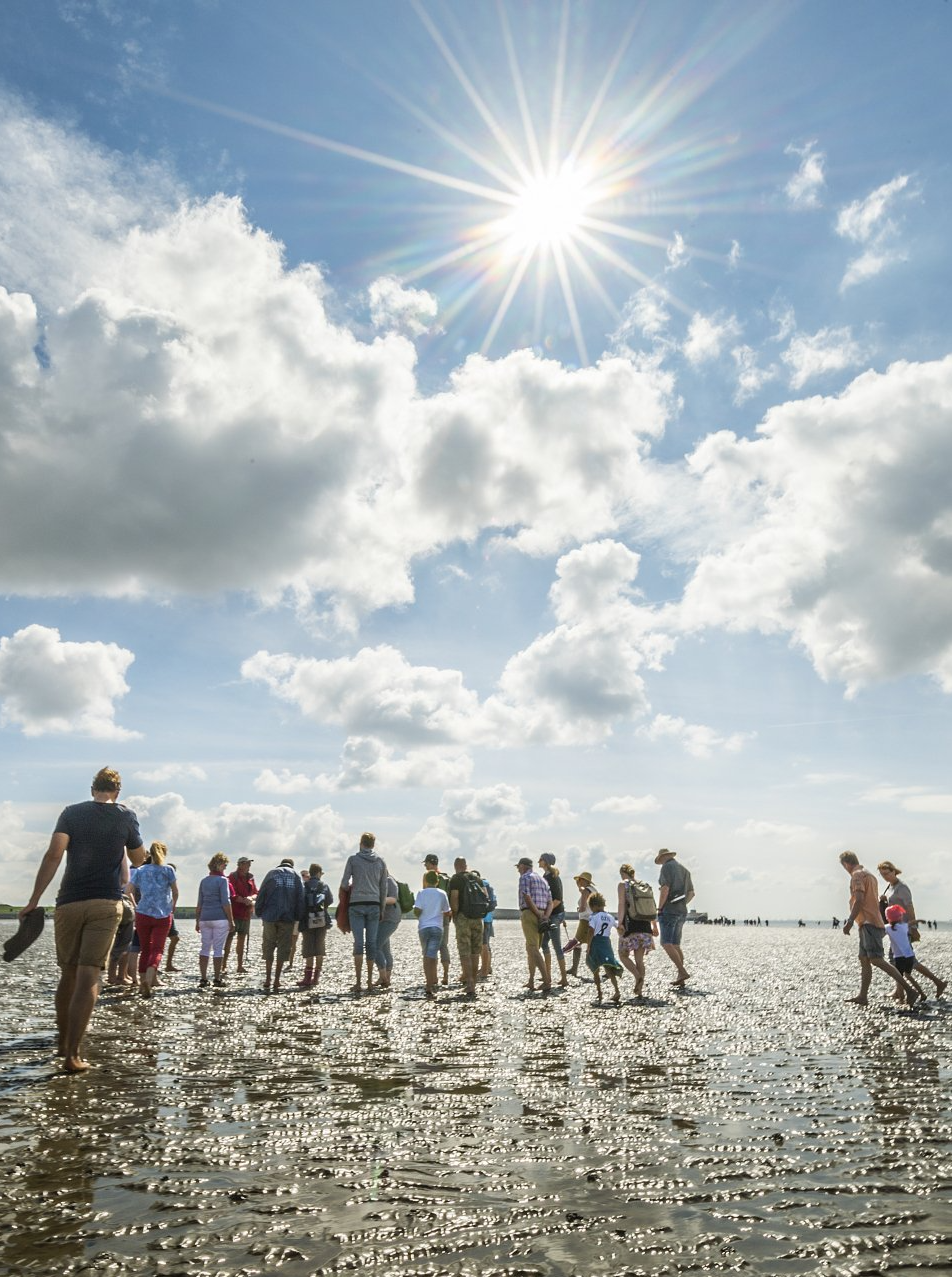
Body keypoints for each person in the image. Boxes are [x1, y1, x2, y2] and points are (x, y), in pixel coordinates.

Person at [19, 766, 146, 1073]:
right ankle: (72, 1056)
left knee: (68, 974)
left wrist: (34, 900)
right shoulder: (125, 816)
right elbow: (140, 858)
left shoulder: (70, 813)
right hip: (105, 904)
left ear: (93, 790)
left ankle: (63, 1043)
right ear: (117, 792)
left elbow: (53, 854)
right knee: (89, 976)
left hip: (68, 903)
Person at [839, 851, 920, 1006]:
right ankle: (863, 996)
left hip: (869, 923)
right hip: (868, 922)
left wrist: (849, 921)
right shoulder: (870, 875)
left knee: (876, 959)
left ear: (846, 864)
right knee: (864, 959)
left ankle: (909, 991)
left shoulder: (857, 876)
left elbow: (860, 900)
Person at [878, 860, 947, 998]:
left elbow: (910, 907)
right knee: (897, 959)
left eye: (887, 873)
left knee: (907, 961)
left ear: (893, 871)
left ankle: (937, 982)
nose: (885, 876)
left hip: (904, 929)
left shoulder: (902, 887)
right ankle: (899, 991)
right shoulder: (890, 887)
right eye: (882, 874)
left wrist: (913, 927)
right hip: (896, 928)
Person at [340, 833, 388, 993]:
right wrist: (381, 908)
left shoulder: (353, 860)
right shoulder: (380, 861)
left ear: (360, 843)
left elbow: (344, 883)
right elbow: (384, 889)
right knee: (372, 944)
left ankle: (358, 982)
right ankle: (369, 982)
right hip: (374, 904)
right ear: (373, 845)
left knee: (359, 943)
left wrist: (352, 888)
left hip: (357, 904)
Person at [131, 841, 178, 999]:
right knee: (157, 949)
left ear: (148, 854)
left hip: (143, 913)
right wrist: (173, 906)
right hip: (163, 914)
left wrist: (135, 904)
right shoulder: (168, 870)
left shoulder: (141, 870)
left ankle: (142, 982)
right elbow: (175, 891)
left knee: (145, 949)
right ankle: (150, 981)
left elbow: (128, 889)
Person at [255, 856, 306, 993]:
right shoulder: (296, 876)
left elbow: (262, 893)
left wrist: (259, 911)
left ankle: (267, 979)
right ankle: (277, 980)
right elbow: (300, 898)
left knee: (269, 946)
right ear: (292, 865)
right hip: (287, 917)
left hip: (270, 916)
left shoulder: (271, 873)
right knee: (283, 948)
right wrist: (298, 917)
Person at [616, 863, 658, 997]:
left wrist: (620, 923)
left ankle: (637, 976)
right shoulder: (644, 886)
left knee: (623, 955)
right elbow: (651, 906)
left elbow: (621, 904)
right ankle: (639, 990)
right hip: (645, 926)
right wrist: (654, 926)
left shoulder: (623, 885)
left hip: (630, 926)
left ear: (623, 873)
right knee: (639, 960)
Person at [448, 856, 487, 999]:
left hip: (463, 917)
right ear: (465, 865)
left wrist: (455, 915)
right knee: (475, 951)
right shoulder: (477, 878)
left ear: (456, 866)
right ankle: (474, 983)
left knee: (464, 950)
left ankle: (469, 982)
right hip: (477, 918)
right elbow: (485, 896)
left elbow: (454, 897)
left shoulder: (456, 879)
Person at [655, 848, 694, 987]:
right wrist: (681, 903)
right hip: (682, 911)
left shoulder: (667, 867)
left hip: (669, 910)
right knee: (676, 944)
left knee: (666, 943)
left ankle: (682, 971)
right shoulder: (684, 870)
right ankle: (681, 978)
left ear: (662, 858)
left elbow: (665, 889)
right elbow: (691, 893)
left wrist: (660, 908)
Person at [195, 852, 235, 988]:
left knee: (204, 948)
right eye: (225, 865)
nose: (225, 867)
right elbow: (226, 901)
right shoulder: (223, 881)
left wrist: (197, 920)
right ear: (220, 865)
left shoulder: (204, 881)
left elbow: (199, 902)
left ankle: (203, 978)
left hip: (205, 918)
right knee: (218, 949)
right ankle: (217, 978)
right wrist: (231, 920)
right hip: (220, 918)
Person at [516, 856, 552, 993]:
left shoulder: (525, 877)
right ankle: (531, 980)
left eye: (518, 867)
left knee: (532, 948)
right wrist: (545, 916)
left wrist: (537, 914)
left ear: (523, 866)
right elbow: (550, 901)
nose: (518, 870)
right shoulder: (542, 879)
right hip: (542, 914)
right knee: (532, 948)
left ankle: (546, 980)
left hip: (530, 913)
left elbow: (527, 897)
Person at [414, 870, 451, 999]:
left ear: (426, 881)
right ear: (437, 881)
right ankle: (431, 982)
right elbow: (447, 911)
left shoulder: (421, 893)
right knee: (432, 954)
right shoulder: (442, 893)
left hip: (424, 927)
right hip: (437, 927)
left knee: (426, 955)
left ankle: (429, 982)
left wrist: (422, 914)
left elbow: (417, 910)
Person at [297, 863, 333, 991]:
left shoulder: (304, 886)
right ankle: (316, 978)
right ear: (319, 873)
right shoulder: (324, 885)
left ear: (310, 873)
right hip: (321, 919)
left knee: (308, 947)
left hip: (307, 920)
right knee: (319, 947)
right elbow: (329, 900)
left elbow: (300, 902)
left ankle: (307, 978)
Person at [586, 893, 623, 1005]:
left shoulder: (593, 917)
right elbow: (619, 929)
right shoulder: (610, 917)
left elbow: (591, 931)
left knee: (595, 968)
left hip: (596, 943)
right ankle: (616, 991)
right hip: (606, 942)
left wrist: (588, 945)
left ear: (594, 906)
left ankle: (599, 992)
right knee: (609, 968)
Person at [884, 905, 926, 1003]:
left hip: (899, 957)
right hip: (910, 956)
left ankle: (903, 996)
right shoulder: (903, 926)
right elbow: (911, 923)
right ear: (900, 917)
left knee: (899, 977)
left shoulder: (888, 928)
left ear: (888, 918)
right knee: (908, 975)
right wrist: (919, 920)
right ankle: (922, 994)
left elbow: (879, 931)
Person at [539, 853, 569, 988]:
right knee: (544, 944)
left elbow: (557, 899)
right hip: (552, 914)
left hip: (555, 915)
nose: (538, 861)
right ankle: (548, 975)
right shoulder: (547, 876)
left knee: (557, 946)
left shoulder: (552, 877)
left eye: (540, 859)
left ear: (545, 862)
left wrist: (546, 914)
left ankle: (564, 978)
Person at [224, 857, 257, 975]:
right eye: (247, 863)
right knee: (228, 939)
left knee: (242, 940)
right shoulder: (231, 877)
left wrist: (251, 898)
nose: (249, 865)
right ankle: (223, 965)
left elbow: (255, 892)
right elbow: (230, 894)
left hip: (246, 914)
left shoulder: (251, 878)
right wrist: (243, 900)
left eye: (249, 863)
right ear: (240, 865)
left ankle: (240, 966)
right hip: (233, 913)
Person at [423, 853, 452, 987]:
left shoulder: (427, 877)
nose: (425, 866)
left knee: (430, 947)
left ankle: (433, 977)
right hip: (445, 915)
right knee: (443, 945)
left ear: (430, 863)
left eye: (426, 863)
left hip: (431, 918)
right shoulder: (446, 878)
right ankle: (445, 975)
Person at [564, 872, 595, 977]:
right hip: (593, 920)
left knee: (576, 943)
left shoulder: (586, 891)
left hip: (585, 921)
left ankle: (573, 968)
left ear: (585, 881)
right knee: (593, 944)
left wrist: (579, 909)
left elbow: (582, 908)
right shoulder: (593, 890)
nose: (578, 882)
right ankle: (574, 968)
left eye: (580, 880)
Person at [375, 874, 403, 990]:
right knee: (384, 948)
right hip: (382, 919)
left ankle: (383, 976)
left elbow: (393, 898)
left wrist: (378, 900)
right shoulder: (379, 880)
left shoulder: (389, 881)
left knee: (374, 946)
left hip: (391, 918)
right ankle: (386, 977)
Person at [479, 873, 497, 979]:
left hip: (483, 919)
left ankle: (484, 968)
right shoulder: (490, 887)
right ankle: (487, 967)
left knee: (483, 945)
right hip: (489, 919)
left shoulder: (482, 885)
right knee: (487, 944)